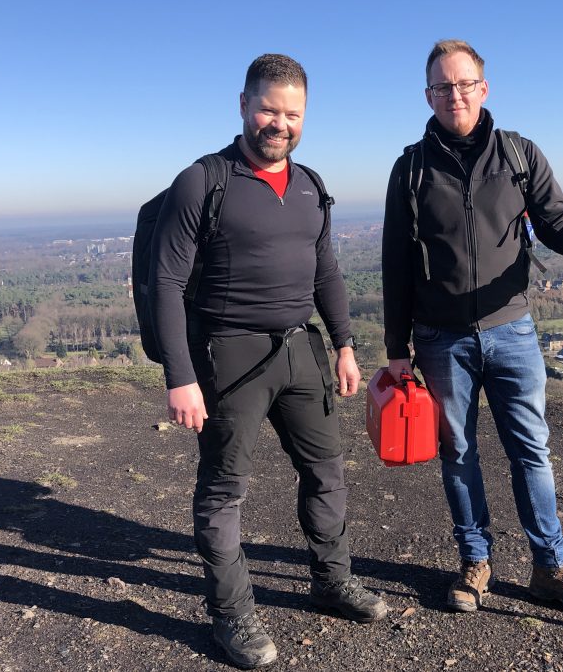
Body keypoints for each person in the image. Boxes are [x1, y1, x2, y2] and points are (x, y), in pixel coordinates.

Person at [382, 40, 563, 616]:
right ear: (428, 95)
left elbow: (556, 223)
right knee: (460, 453)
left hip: (511, 330)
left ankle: (551, 567)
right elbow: (395, 263)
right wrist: (398, 348)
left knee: (532, 452)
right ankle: (475, 562)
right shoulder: (411, 168)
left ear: (484, 88)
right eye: (442, 87)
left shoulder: (519, 155)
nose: (454, 95)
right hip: (440, 338)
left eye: (464, 83)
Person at [151, 53, 386, 669]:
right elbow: (167, 284)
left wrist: (343, 342)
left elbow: (325, 269)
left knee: (327, 470)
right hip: (228, 354)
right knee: (225, 489)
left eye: (293, 113)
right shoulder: (203, 181)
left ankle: (331, 582)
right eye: (268, 109)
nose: (279, 123)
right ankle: (232, 616)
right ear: (243, 105)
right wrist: (180, 378)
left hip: (300, 349)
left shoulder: (309, 184)